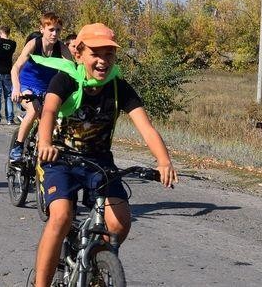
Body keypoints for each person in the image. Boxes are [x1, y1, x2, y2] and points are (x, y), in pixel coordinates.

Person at [33, 23, 177, 287]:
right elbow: (50, 111)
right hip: (60, 159)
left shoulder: (119, 87)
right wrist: (44, 142)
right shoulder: (64, 79)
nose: (102, 60)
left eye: (109, 54)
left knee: (119, 223)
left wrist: (163, 161)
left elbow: (145, 127)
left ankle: (96, 265)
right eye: (95, 53)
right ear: (79, 54)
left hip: (99, 162)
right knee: (62, 216)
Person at [9, 12, 73, 161]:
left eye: (58, 30)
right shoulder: (34, 44)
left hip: (47, 89)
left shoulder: (61, 47)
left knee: (54, 118)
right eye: (51, 29)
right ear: (42, 29)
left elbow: (72, 70)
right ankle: (17, 147)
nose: (54, 33)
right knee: (33, 110)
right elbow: (16, 68)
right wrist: (16, 89)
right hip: (26, 85)